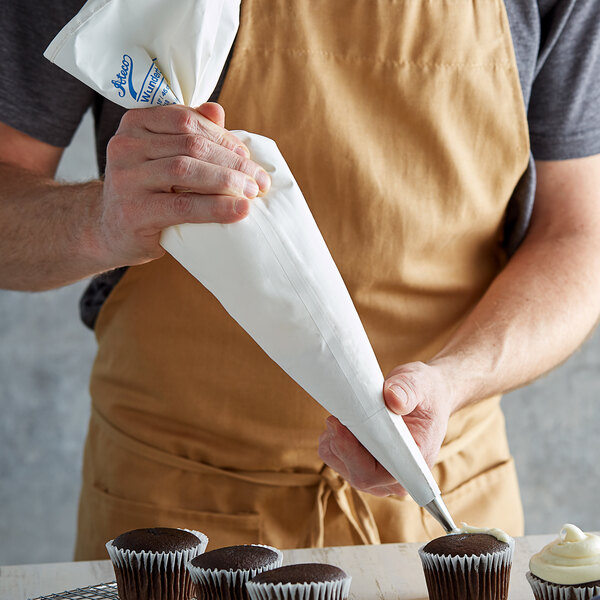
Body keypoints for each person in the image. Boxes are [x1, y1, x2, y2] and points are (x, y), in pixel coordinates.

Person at [1, 0, 600, 559]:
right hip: (174, 516)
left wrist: (456, 379)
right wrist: (100, 220)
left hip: (441, 507)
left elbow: (578, 236)